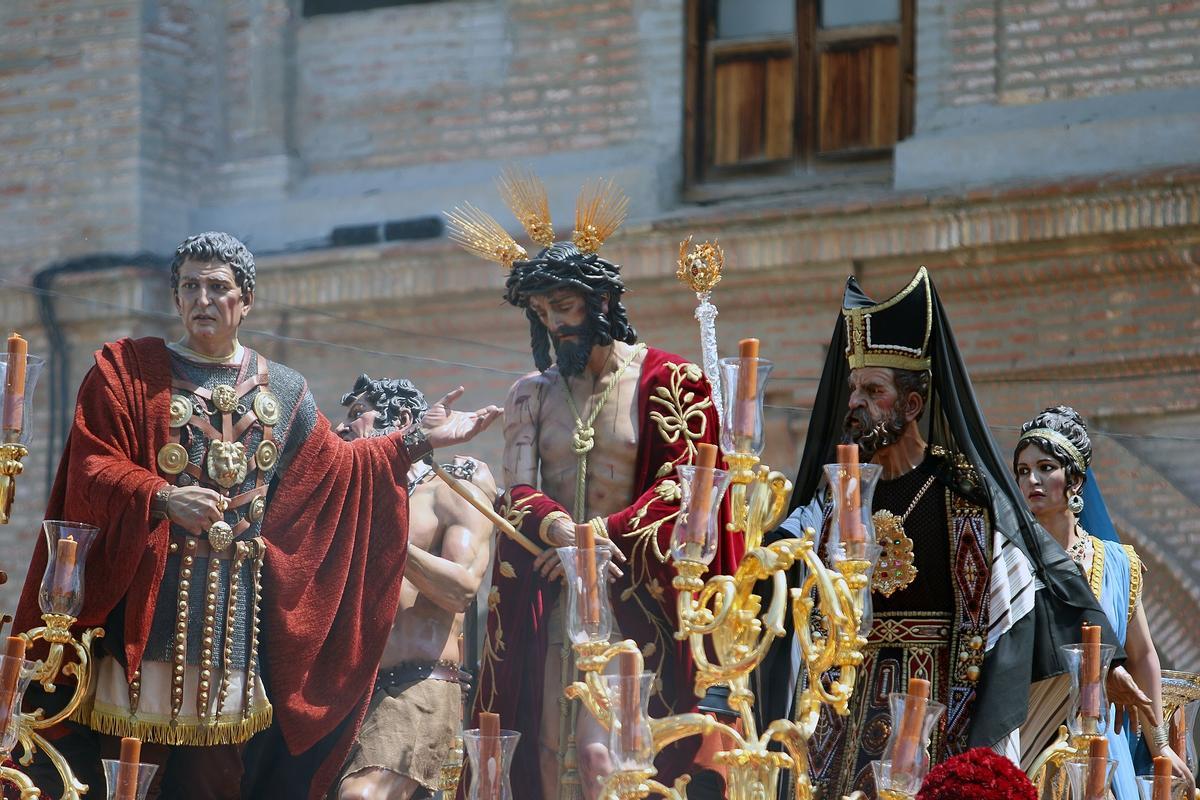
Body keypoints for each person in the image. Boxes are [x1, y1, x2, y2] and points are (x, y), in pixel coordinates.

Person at [11, 232, 499, 800]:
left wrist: (417, 440)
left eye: (218, 287)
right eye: (189, 286)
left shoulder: (285, 391)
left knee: (216, 783)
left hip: (233, 624)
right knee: (123, 774)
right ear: (175, 297)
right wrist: (162, 497)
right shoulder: (128, 372)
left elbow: (338, 473)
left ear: (245, 300)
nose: (202, 299)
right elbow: (93, 464)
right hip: (140, 612)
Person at [759, 267, 1120, 798]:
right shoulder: (834, 499)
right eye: (853, 388)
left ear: (912, 405)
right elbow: (772, 563)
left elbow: (1030, 590)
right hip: (838, 724)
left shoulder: (964, 499)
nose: (854, 402)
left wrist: (1105, 660)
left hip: (936, 721)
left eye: (873, 390)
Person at [446, 171, 742, 800]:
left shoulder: (672, 381)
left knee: (602, 754)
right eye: (541, 312)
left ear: (601, 301)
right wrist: (562, 534)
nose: (554, 323)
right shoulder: (530, 394)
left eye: (564, 306)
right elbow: (516, 493)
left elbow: (686, 489)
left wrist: (594, 540)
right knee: (547, 750)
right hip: (554, 593)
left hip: (631, 592)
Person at [1013, 406, 1194, 798]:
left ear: (1075, 479)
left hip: (1102, 745)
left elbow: (1142, 654)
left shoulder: (1117, 562)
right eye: (1023, 471)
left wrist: (1159, 744)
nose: (1032, 480)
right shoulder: (1011, 559)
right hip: (1032, 732)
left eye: (1045, 468)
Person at [333, 374, 499, 800]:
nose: (340, 426)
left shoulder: (451, 490)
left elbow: (461, 589)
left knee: (361, 797)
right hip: (341, 695)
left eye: (357, 414)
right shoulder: (347, 499)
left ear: (403, 420)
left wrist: (387, 538)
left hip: (415, 685)